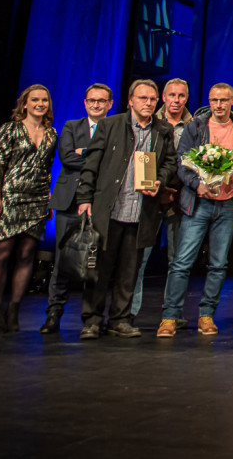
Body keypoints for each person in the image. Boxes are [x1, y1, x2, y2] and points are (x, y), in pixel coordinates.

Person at [75, 79, 178, 339]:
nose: (148, 103)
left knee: (129, 271)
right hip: (109, 210)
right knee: (99, 270)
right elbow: (91, 165)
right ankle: (92, 320)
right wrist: (84, 198)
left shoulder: (162, 130)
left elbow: (169, 163)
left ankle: (119, 319)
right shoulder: (109, 125)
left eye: (153, 99)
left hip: (141, 211)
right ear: (130, 100)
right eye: (143, 98)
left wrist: (160, 180)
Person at [159, 83, 233, 337]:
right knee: (182, 262)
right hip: (198, 203)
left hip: (228, 204)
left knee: (219, 264)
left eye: (223, 100)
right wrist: (197, 185)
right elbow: (181, 162)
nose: (218, 105)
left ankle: (206, 315)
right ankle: (169, 317)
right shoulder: (195, 126)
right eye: (213, 100)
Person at [41, 83, 112, 334]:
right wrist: (96, 156)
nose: (96, 105)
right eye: (92, 100)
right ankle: (53, 313)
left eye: (101, 101)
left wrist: (85, 152)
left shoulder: (113, 128)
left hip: (99, 202)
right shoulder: (72, 126)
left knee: (92, 262)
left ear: (109, 104)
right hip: (69, 200)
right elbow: (67, 158)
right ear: (85, 103)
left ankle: (90, 319)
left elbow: (111, 164)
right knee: (63, 259)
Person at [0, 84, 58, 333]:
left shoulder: (51, 133)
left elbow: (48, 168)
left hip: (37, 197)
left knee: (28, 253)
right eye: (35, 100)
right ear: (25, 103)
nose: (40, 104)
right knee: (3, 252)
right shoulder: (10, 129)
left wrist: (49, 198)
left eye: (45, 100)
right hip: (11, 195)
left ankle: (15, 309)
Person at [134, 78, 193, 320]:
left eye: (181, 96)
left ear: (186, 98)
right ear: (164, 98)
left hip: (180, 199)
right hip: (149, 196)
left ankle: (172, 313)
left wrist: (175, 189)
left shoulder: (194, 125)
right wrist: (159, 189)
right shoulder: (150, 121)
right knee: (139, 258)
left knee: (177, 261)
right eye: (172, 95)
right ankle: (130, 311)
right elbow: (141, 159)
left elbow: (194, 163)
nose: (176, 100)